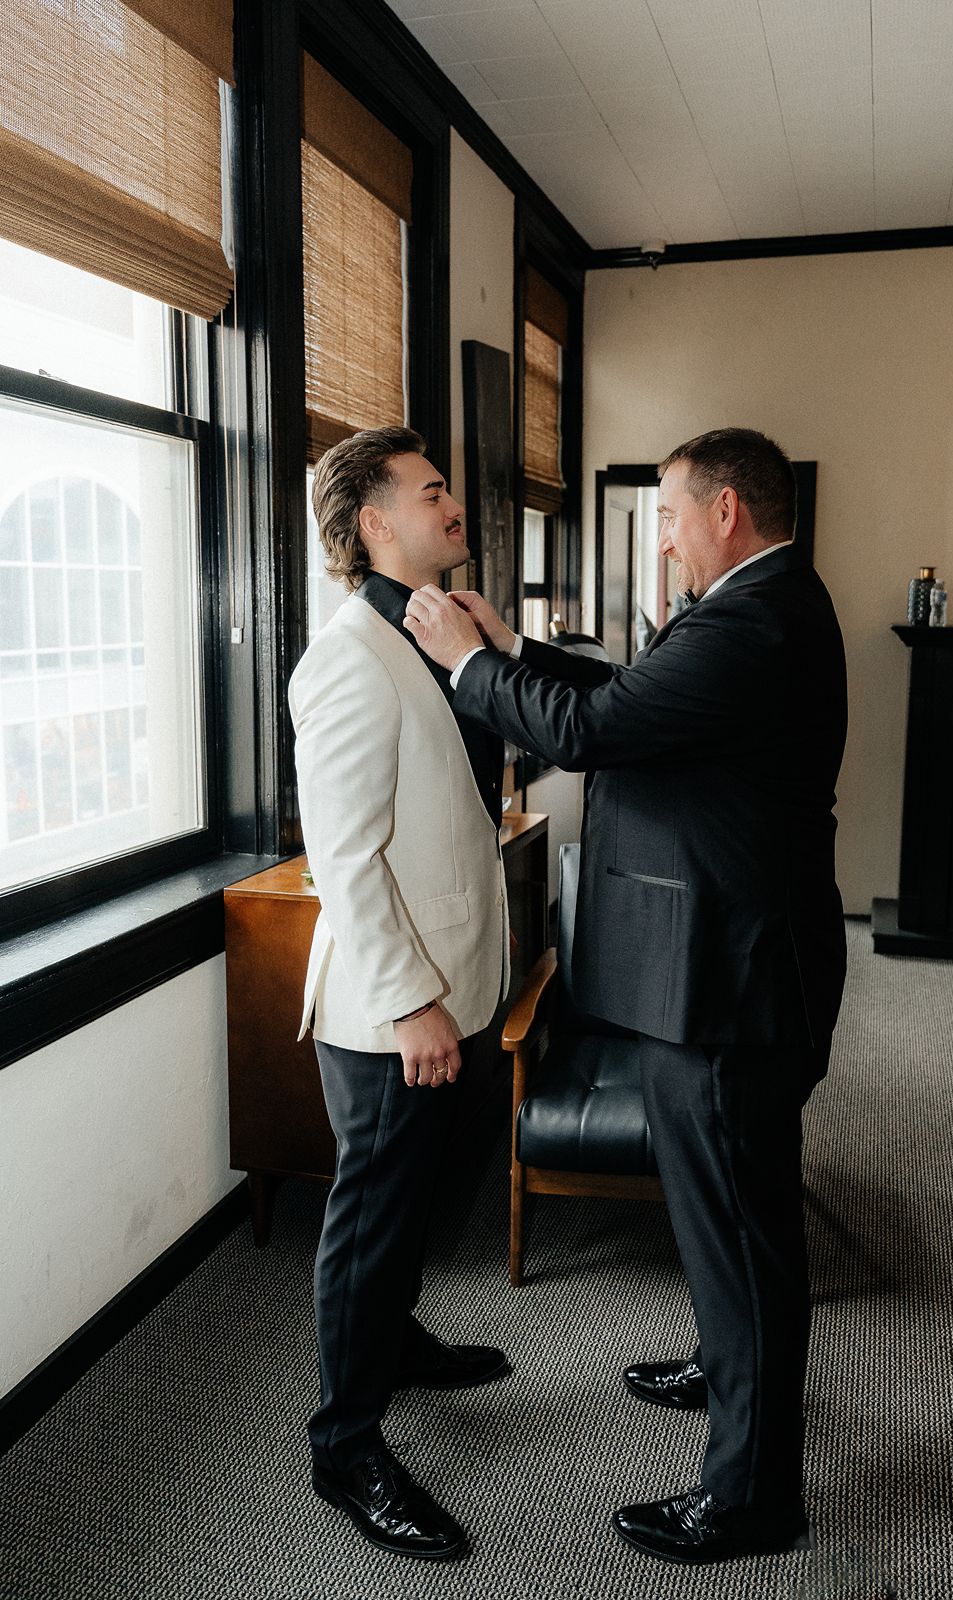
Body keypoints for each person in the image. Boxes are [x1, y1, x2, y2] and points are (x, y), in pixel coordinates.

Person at [405, 427, 848, 1566]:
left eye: (671, 515)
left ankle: (752, 1499)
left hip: (731, 985)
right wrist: (516, 648)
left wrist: (467, 665)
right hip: (730, 966)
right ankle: (727, 1362)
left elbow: (594, 731)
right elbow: (634, 694)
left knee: (742, 1233)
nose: (664, 538)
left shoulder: (751, 622)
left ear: (725, 512)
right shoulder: (762, 605)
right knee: (728, 1218)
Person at [289, 426, 511, 1562]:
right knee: (371, 1222)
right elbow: (343, 858)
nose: (452, 503)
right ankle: (345, 1446)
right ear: (375, 523)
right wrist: (412, 999)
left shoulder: (434, 629)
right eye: (431, 493)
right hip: (394, 1009)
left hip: (460, 981)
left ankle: (398, 1339)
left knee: (427, 1193)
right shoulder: (345, 659)